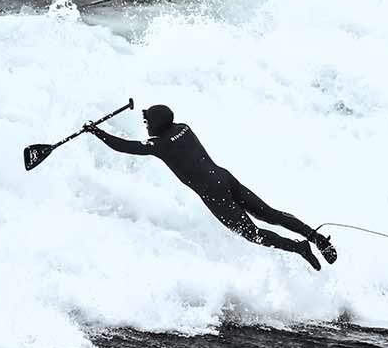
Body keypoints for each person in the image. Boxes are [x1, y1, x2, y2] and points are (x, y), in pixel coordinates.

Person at [84, 104, 337, 270]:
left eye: (148, 120)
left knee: (253, 234)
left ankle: (299, 247)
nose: (146, 124)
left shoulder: (159, 144)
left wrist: (96, 132)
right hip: (225, 178)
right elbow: (155, 133)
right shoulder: (184, 129)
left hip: (213, 192)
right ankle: (316, 238)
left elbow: (124, 146)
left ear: (156, 124)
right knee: (272, 215)